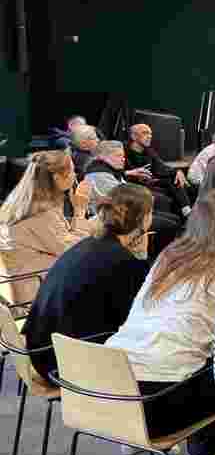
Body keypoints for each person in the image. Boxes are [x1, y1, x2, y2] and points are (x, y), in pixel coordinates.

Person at [107, 188, 215, 455]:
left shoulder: (168, 257)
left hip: (106, 391)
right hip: (160, 403)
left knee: (190, 354)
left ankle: (138, 439)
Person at [22, 184, 154, 382]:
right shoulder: (124, 262)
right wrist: (142, 257)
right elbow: (138, 317)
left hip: (41, 353)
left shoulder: (86, 245)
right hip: (68, 366)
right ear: (142, 219)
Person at [0, 150, 94, 305]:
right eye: (72, 171)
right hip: (34, 295)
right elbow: (75, 250)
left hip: (30, 284)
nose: (75, 175)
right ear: (57, 178)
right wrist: (80, 210)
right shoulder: (41, 212)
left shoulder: (25, 202)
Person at [84, 141, 181, 259]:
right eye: (118, 156)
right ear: (102, 157)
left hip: (127, 212)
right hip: (117, 219)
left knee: (170, 213)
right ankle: (156, 259)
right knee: (170, 224)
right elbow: (124, 199)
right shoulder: (99, 174)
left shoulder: (110, 170)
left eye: (123, 156)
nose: (123, 159)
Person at [126, 123, 193, 218]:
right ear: (133, 136)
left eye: (150, 134)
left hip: (150, 181)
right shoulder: (123, 151)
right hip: (133, 185)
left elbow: (161, 166)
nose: (149, 136)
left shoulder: (149, 151)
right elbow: (121, 173)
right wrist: (131, 174)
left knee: (179, 181)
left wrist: (177, 171)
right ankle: (186, 213)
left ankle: (186, 212)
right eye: (145, 133)